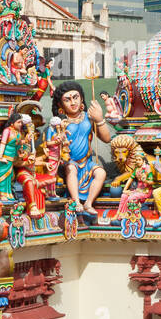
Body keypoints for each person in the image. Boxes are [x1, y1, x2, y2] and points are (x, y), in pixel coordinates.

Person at [46, 81, 112, 225]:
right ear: (60, 105)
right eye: (67, 100)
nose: (73, 102)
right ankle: (76, 202)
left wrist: (100, 119)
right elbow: (51, 143)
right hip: (68, 163)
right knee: (71, 169)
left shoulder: (89, 117)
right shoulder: (59, 123)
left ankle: (88, 203)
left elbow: (107, 139)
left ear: (82, 99)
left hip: (86, 163)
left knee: (101, 173)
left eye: (76, 97)